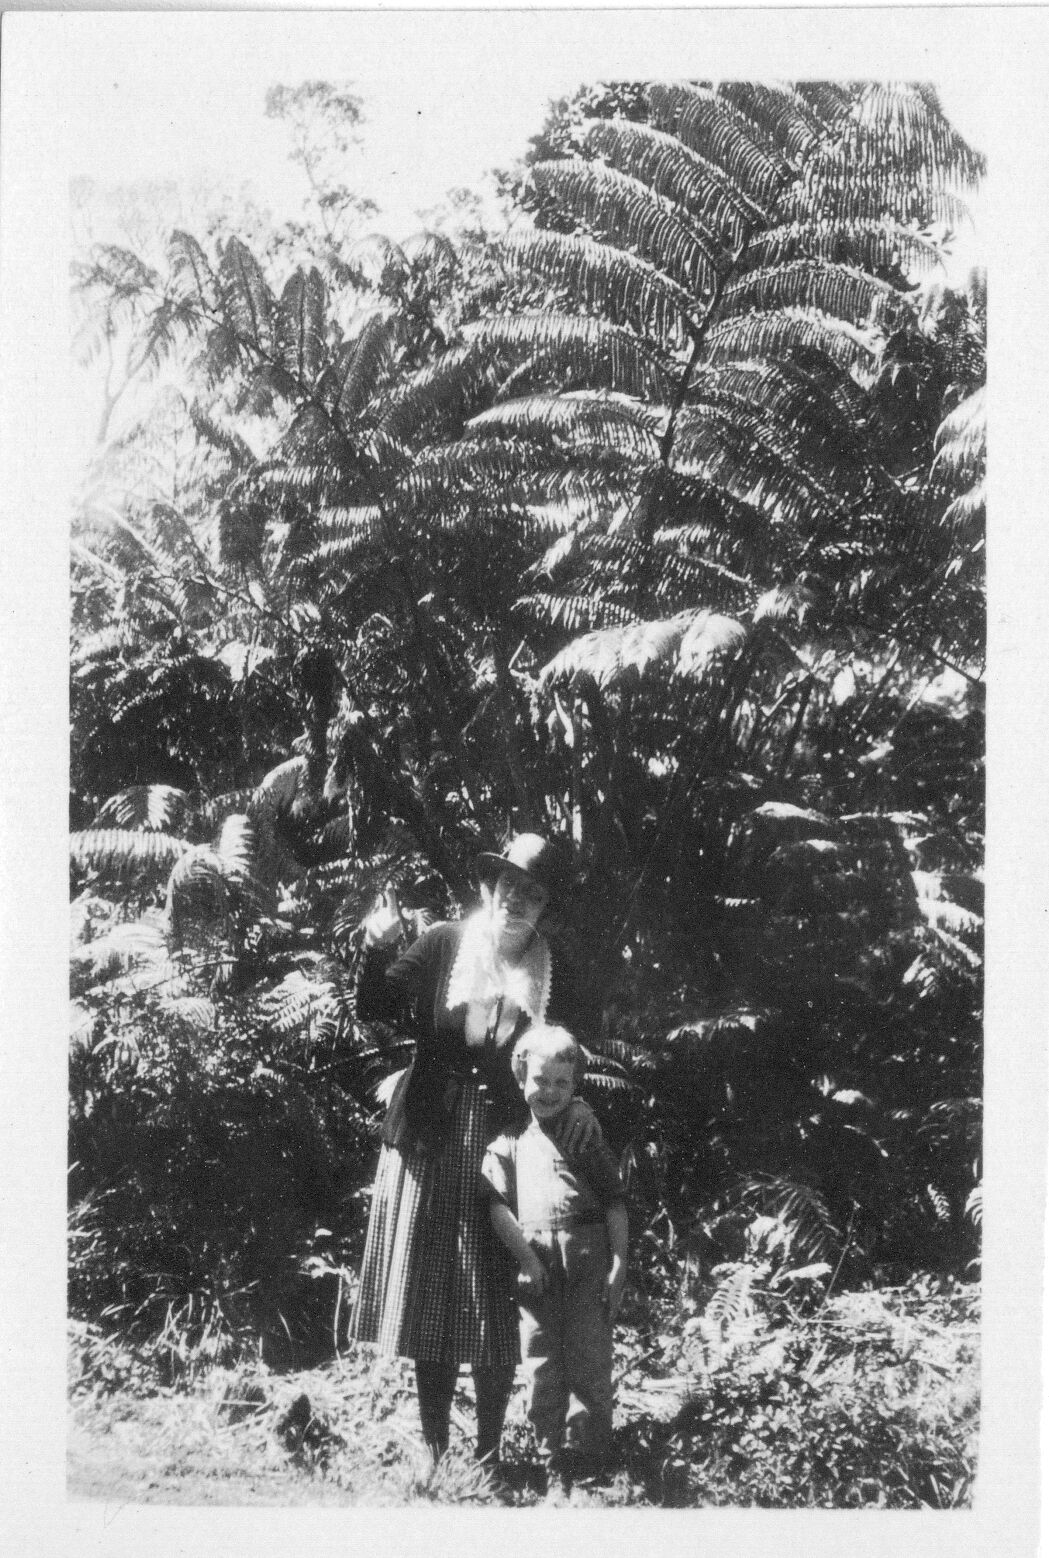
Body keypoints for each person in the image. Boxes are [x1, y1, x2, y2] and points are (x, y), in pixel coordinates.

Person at [349, 833, 599, 1476]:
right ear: (491, 889)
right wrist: (374, 949)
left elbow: (570, 1057)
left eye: (533, 894)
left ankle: (488, 1456)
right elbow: (374, 1005)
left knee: (497, 1292)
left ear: (545, 906)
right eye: (509, 887)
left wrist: (581, 1111)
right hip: (432, 1132)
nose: (518, 901)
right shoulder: (442, 944)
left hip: (509, 1146)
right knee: (433, 1295)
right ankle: (434, 1453)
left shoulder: (554, 970)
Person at [481, 1024, 628, 1497]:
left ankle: (588, 1459)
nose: (550, 1092)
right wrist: (524, 1259)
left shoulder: (583, 1133)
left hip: (587, 1258)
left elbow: (614, 1203)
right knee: (541, 1357)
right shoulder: (510, 1141)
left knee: (589, 1355)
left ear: (576, 1086)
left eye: (562, 1084)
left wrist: (620, 1265)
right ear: (521, 1076)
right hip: (538, 1266)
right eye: (540, 1080)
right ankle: (549, 1456)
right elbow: (496, 1205)